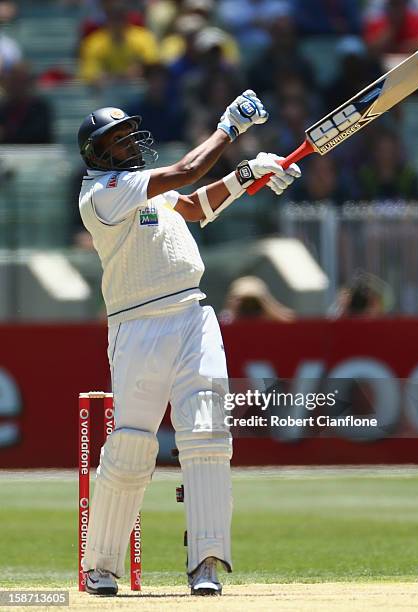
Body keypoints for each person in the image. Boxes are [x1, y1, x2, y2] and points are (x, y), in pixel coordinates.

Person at [77, 91, 301, 596]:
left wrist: (247, 177)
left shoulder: (143, 190)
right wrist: (230, 128)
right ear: (96, 156)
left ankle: (206, 562)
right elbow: (185, 172)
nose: (129, 143)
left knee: (207, 434)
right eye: (116, 141)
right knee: (133, 444)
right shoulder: (103, 193)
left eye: (128, 134)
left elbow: (195, 205)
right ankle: (102, 567)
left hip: (193, 316)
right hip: (138, 325)